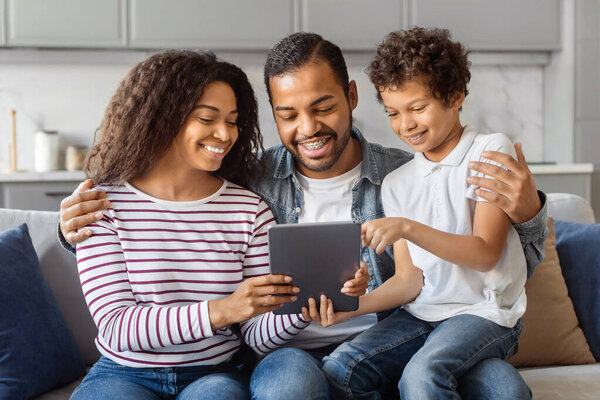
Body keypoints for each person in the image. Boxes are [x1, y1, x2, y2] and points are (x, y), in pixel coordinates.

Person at [59, 33, 548, 399]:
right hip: (287, 349)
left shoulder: (407, 172)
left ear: (352, 97)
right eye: (288, 114)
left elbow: (499, 264)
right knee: (289, 383)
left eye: (323, 107)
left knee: (502, 388)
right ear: (273, 114)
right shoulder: (252, 179)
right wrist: (70, 232)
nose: (308, 128)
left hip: (400, 334)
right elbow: (175, 205)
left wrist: (529, 214)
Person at [69, 49, 359, 400]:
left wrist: (303, 307)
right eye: (207, 119)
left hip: (214, 375)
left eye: (233, 120)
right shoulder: (100, 205)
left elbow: (255, 333)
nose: (225, 134)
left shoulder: (248, 209)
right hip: (123, 372)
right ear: (163, 117)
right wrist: (222, 310)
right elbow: (116, 327)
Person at [313, 27, 530, 399]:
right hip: (422, 314)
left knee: (422, 374)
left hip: (484, 313)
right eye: (394, 112)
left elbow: (484, 253)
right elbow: (410, 281)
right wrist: (352, 309)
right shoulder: (398, 182)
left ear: (456, 96)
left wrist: (408, 228)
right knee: (340, 369)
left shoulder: (490, 150)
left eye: (418, 108)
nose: (405, 125)